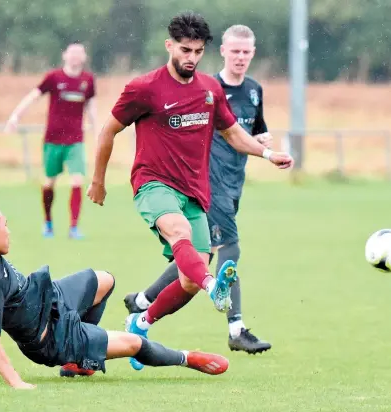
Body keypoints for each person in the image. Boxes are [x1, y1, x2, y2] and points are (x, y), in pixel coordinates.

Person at [86, 12, 293, 371]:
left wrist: (267, 153)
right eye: (185, 50)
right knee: (182, 238)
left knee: (188, 278)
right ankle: (216, 287)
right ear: (169, 46)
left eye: (198, 51)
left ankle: (143, 321)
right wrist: (98, 181)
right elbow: (107, 131)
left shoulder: (210, 90)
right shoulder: (145, 88)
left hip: (194, 192)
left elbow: (232, 133)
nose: (191, 58)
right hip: (153, 184)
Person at [0, 181, 230, 389]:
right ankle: (187, 358)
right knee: (134, 344)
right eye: (5, 225)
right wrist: (17, 383)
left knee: (104, 280)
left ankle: (79, 362)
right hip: (52, 337)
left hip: (49, 300)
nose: (9, 231)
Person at [124, 25, 274, 355]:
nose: (241, 57)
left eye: (247, 52)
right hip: (206, 183)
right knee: (228, 248)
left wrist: (264, 146)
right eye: (235, 51)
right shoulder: (205, 87)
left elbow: (247, 132)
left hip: (233, 184)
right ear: (222, 51)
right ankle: (236, 326)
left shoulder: (253, 90)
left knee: (194, 260)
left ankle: (142, 302)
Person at [5, 42, 96, 240]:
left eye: (79, 53)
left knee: (77, 180)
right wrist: (15, 116)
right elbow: (33, 96)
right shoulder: (54, 77)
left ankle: (73, 227)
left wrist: (97, 129)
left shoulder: (88, 80)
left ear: (84, 57)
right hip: (53, 139)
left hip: (75, 140)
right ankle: (48, 222)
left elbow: (91, 106)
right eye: (71, 53)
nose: (75, 57)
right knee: (49, 183)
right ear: (65, 56)